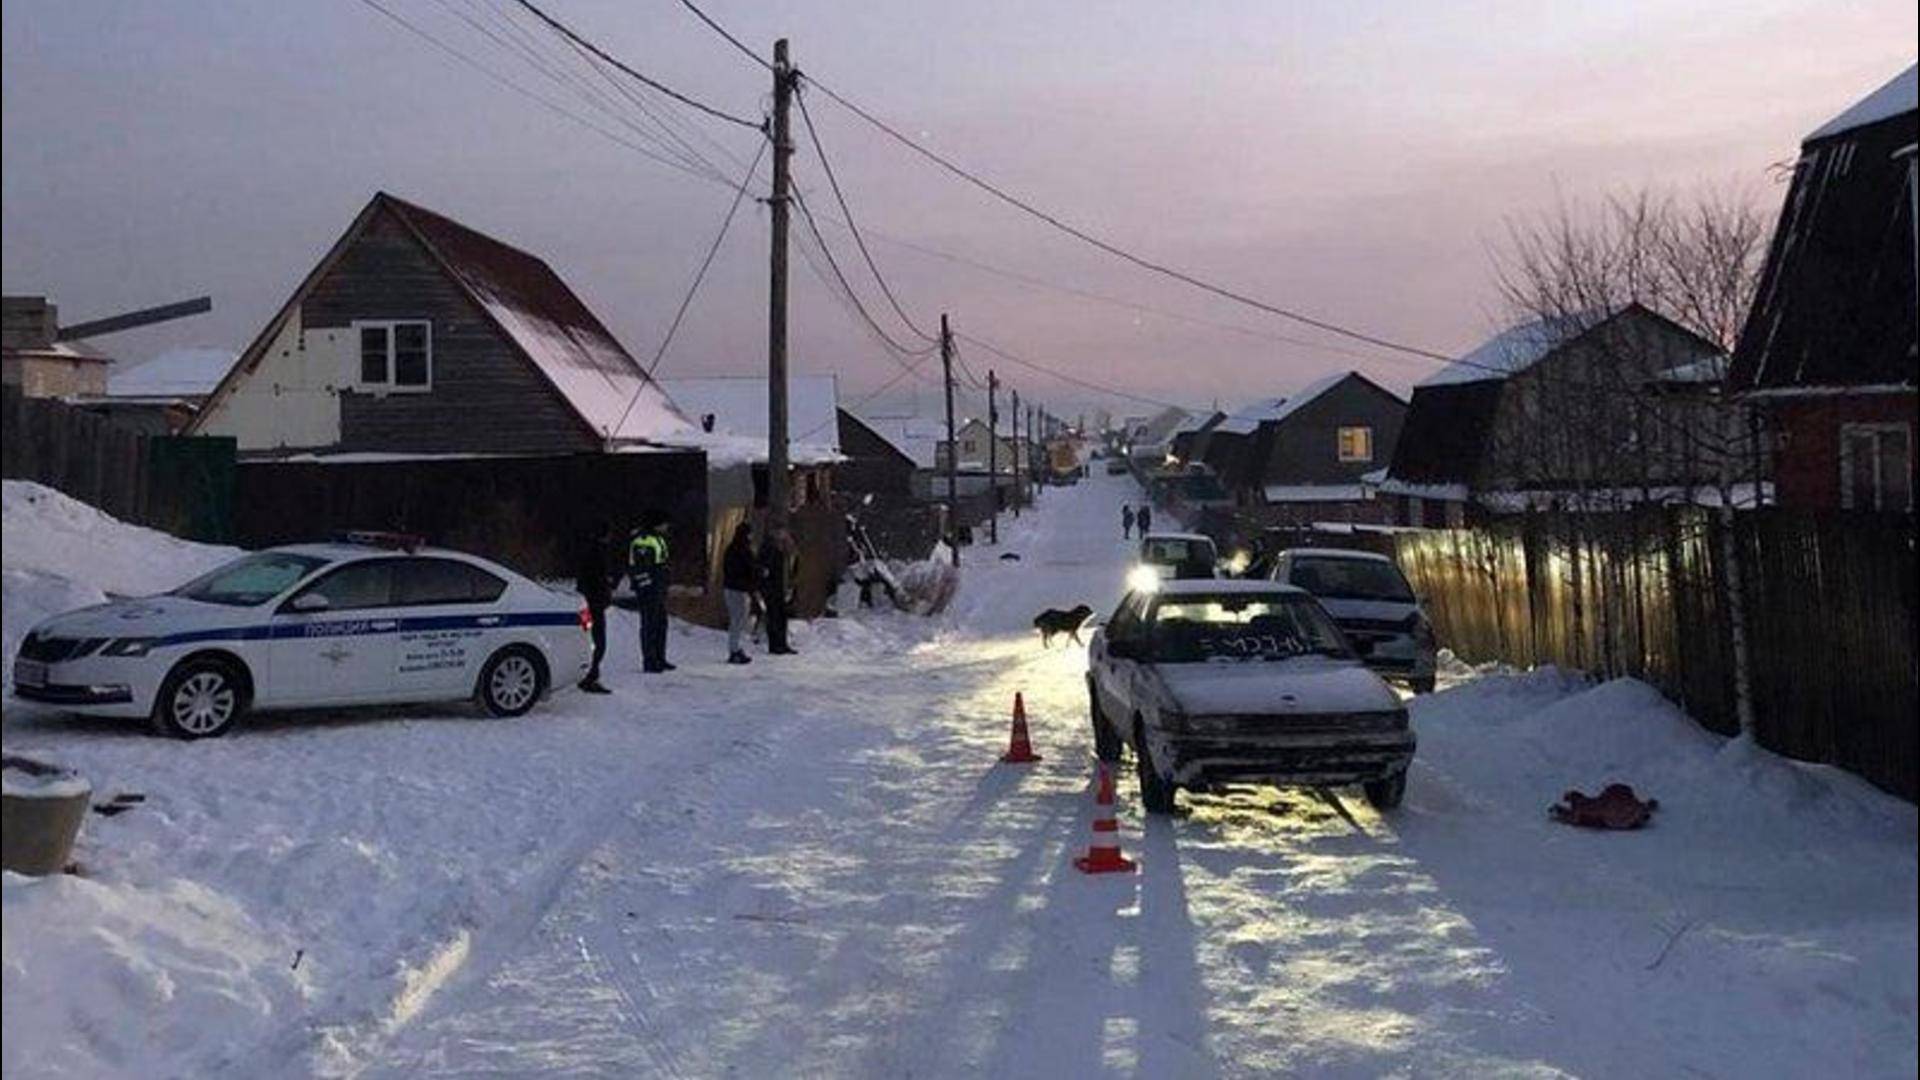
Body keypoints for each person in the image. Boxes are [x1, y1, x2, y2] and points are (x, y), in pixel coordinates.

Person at [628, 512, 674, 673]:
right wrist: (648, 588)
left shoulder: (657, 538)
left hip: (658, 589)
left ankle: (659, 658)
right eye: (664, 524)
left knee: (661, 624)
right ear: (657, 524)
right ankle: (650, 660)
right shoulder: (644, 541)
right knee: (649, 625)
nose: (667, 527)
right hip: (649, 590)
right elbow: (642, 569)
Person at [574, 519, 615, 693]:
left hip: (585, 600)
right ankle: (590, 676)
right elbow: (599, 580)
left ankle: (587, 673)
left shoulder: (586, 550)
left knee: (588, 638)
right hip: (595, 602)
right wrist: (606, 594)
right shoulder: (599, 553)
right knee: (598, 641)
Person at [758, 526, 798, 655]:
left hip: (782, 587)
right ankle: (774, 645)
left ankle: (782, 643)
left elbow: (791, 566)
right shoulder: (769, 547)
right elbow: (763, 566)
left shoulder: (784, 549)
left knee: (782, 616)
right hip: (771, 587)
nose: (784, 535)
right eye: (781, 532)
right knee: (773, 616)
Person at [722, 521, 757, 665]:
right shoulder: (741, 549)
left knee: (739, 620)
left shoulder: (733, 548)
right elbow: (748, 567)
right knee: (737, 620)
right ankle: (734, 650)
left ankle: (736, 648)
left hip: (735, 587)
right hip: (737, 588)